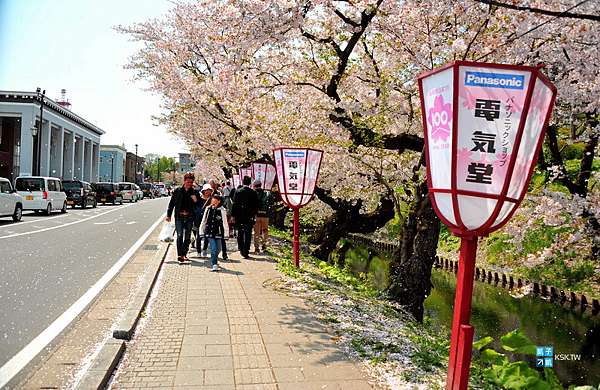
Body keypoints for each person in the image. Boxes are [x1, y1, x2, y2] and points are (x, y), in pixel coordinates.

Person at [166, 173, 200, 263]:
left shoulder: (195, 192)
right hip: (179, 216)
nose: (189, 183)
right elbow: (172, 203)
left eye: (191, 182)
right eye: (188, 181)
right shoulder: (178, 191)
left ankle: (184, 254)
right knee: (180, 235)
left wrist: (195, 200)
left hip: (189, 217)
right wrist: (168, 215)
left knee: (187, 236)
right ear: (184, 181)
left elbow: (199, 205)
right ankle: (180, 255)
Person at [199, 195, 229, 271]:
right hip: (209, 231)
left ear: (219, 201)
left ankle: (214, 258)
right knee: (214, 248)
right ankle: (214, 264)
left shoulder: (222, 210)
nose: (213, 201)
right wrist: (201, 231)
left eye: (215, 200)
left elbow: (225, 223)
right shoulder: (208, 209)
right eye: (212, 200)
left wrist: (226, 234)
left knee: (218, 249)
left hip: (218, 232)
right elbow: (204, 220)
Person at [231, 175, 258, 259]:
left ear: (242, 182)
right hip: (249, 216)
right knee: (248, 233)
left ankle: (241, 248)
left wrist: (233, 215)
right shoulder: (253, 192)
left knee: (240, 232)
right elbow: (255, 206)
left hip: (239, 216)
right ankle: (246, 251)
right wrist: (254, 215)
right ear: (250, 183)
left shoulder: (238, 191)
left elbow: (234, 204)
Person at [194, 183, 213, 257]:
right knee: (199, 236)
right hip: (199, 219)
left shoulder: (212, 199)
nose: (208, 192)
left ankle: (204, 249)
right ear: (203, 191)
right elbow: (196, 208)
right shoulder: (199, 199)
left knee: (207, 236)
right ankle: (198, 251)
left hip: (208, 219)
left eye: (209, 190)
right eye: (206, 190)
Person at [253, 180, 272, 253]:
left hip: (256, 215)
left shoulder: (253, 193)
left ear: (254, 185)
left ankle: (256, 247)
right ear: (261, 185)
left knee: (256, 232)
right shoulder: (266, 193)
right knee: (265, 230)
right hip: (265, 215)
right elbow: (271, 202)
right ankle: (264, 245)